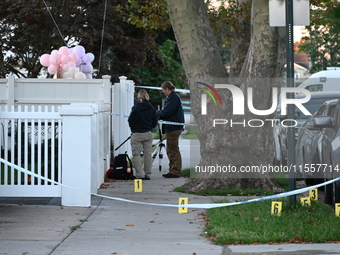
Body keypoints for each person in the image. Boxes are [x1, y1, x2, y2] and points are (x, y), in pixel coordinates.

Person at [157, 81, 185, 178]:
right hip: (172, 127)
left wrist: (157, 114)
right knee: (170, 149)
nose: (163, 92)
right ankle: (172, 169)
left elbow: (167, 112)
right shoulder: (172, 97)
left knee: (173, 149)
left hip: (174, 127)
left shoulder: (173, 98)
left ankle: (175, 171)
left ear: (167, 89)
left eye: (163, 90)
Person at [128, 89, 157, 180]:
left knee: (136, 154)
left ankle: (140, 174)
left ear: (139, 97)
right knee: (148, 153)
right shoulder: (151, 108)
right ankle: (148, 173)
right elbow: (154, 122)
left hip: (136, 133)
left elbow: (130, 120)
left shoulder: (136, 108)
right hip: (147, 133)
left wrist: (133, 128)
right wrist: (149, 127)